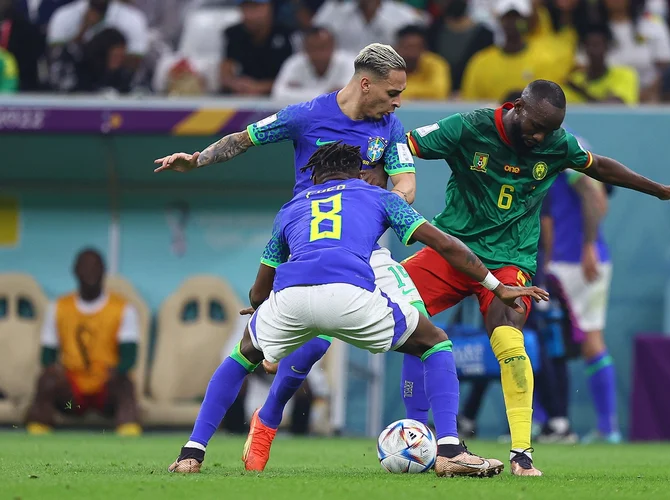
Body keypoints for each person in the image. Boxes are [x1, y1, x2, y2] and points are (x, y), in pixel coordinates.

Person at [170, 141, 549, 476]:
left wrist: (260, 310)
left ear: (315, 175)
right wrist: (495, 286)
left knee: (242, 356)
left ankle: (192, 452)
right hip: (350, 290)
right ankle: (448, 448)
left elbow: (259, 289)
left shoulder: (290, 208)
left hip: (293, 294)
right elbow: (446, 245)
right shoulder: (379, 195)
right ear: (362, 173)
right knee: (433, 342)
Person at [398, 79, 670, 475]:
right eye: (535, 126)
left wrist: (660, 190)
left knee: (510, 335)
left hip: (510, 261)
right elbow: (405, 144)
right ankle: (418, 436)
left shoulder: (557, 144)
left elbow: (600, 167)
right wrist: (385, 177)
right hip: (453, 250)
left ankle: (522, 454)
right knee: (398, 310)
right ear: (518, 106)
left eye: (550, 129)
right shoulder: (471, 125)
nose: (540, 137)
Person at [155, 43, 427, 473]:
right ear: (365, 84)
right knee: (302, 340)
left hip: (366, 245)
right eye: (393, 92)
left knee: (418, 327)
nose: (398, 101)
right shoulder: (305, 115)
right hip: (306, 241)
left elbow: (407, 185)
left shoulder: (390, 127)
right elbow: (243, 139)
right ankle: (247, 429)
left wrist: (381, 202)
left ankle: (430, 438)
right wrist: (198, 160)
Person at [544, 148, 620, 444]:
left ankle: (605, 427)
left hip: (575, 262)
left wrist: (588, 245)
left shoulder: (564, 146)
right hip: (567, 260)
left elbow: (592, 191)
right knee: (545, 341)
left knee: (583, 341)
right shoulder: (568, 146)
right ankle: (549, 422)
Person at [25, 248, 141, 436]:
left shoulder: (122, 309)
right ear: (75, 271)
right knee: (46, 380)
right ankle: (38, 430)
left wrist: (117, 371)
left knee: (125, 384)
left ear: (104, 271)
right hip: (72, 391)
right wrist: (55, 370)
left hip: (105, 385)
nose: (90, 272)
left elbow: (130, 357)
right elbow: (47, 356)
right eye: (85, 267)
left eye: (95, 267)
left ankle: (129, 431)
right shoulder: (58, 307)